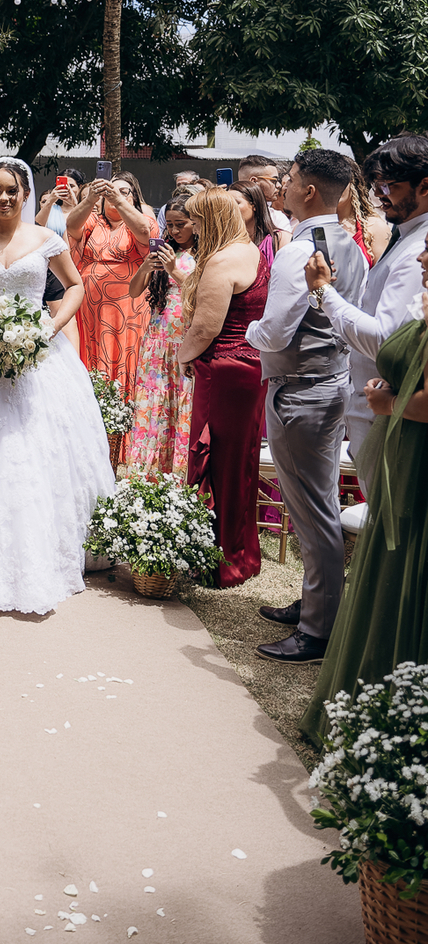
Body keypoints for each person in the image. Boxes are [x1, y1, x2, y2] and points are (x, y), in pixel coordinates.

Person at [0, 161, 112, 614]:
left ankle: (46, 547)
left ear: (27, 194)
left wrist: (49, 327)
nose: (4, 198)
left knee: (39, 445)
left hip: (40, 349)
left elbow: (75, 286)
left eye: (12, 190)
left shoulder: (47, 237)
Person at [301, 244, 428, 746]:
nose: (422, 257)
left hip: (416, 454)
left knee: (409, 565)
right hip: (404, 448)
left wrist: (386, 400)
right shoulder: (423, 295)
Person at [243, 151, 368, 662]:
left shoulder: (299, 251)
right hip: (330, 380)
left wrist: (246, 330)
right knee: (314, 504)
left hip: (299, 389)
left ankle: (317, 630)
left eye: (288, 179)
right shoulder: (350, 246)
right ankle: (316, 602)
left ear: (308, 191)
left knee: (314, 512)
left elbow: (273, 332)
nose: (280, 186)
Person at [305, 133, 428, 469]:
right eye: (375, 184)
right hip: (374, 408)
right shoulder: (406, 235)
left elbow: (382, 340)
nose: (378, 194)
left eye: (388, 185)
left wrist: (324, 292)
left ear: (425, 186)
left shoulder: (418, 249)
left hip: (390, 413)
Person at [178, 190, 270, 588]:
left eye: (197, 222)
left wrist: (181, 356)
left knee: (215, 460)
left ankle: (217, 558)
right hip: (250, 368)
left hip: (224, 370)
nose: (193, 229)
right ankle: (242, 553)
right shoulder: (251, 250)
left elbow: (204, 328)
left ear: (211, 220)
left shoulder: (221, 260)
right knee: (240, 463)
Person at [66, 172, 160, 400]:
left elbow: (145, 234)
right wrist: (90, 199)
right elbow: (71, 225)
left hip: (128, 309)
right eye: (110, 190)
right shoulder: (94, 221)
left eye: (123, 191)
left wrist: (117, 199)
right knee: (93, 355)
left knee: (126, 357)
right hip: (91, 311)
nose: (114, 194)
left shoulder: (142, 221)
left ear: (134, 198)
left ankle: (124, 416)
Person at [123, 198, 198, 478]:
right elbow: (133, 291)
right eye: (172, 225)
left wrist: (173, 270)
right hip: (158, 338)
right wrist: (147, 266)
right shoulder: (166, 251)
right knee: (155, 404)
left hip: (186, 338)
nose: (176, 231)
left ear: (196, 223)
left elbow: (200, 294)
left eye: (182, 224)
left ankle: (178, 475)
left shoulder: (206, 254)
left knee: (182, 403)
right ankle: (149, 473)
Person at [337, 155, 390, 266]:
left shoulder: (375, 226)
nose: (333, 187)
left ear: (354, 183)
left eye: (340, 180)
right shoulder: (309, 224)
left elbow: (382, 276)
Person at [227, 180, 289, 259]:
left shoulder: (280, 239)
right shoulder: (227, 244)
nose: (229, 208)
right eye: (227, 204)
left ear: (254, 205)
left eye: (236, 203)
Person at [237, 154, 292, 233]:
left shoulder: (277, 218)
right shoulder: (227, 210)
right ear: (254, 181)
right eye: (273, 180)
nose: (279, 185)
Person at [35, 168, 85, 238]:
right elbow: (39, 222)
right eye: (64, 186)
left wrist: (75, 205)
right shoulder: (52, 209)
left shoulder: (85, 209)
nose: (68, 189)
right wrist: (51, 200)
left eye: (71, 186)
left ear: (80, 187)